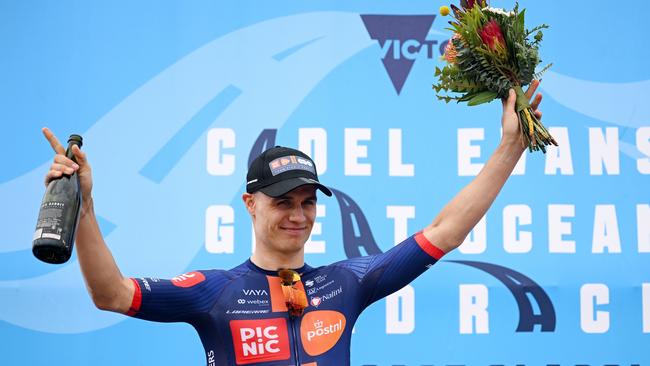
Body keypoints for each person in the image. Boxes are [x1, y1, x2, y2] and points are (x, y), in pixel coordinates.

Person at [42, 83, 543, 365]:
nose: (298, 215)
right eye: (283, 202)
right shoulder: (213, 292)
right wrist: (84, 206)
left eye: (308, 201)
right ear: (250, 204)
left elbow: (444, 232)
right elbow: (110, 293)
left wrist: (509, 148)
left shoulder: (346, 283)